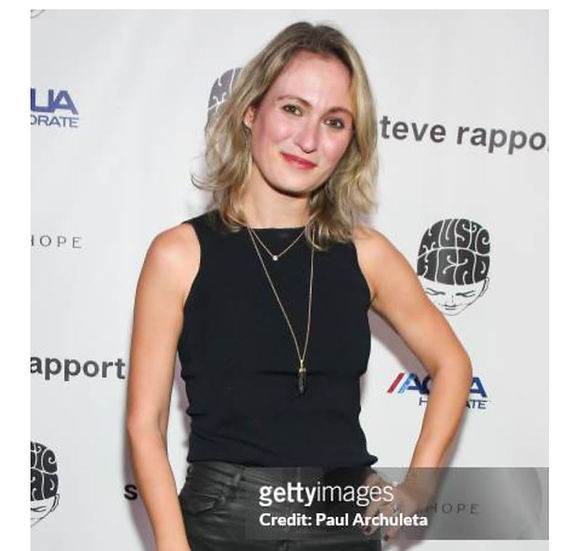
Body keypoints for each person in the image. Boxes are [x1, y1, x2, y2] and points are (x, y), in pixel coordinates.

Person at [125, 21, 472, 551]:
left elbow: (452, 365)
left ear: (350, 141)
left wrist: (418, 488)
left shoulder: (367, 255)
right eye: (292, 109)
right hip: (223, 522)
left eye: (334, 121)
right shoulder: (179, 254)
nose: (308, 140)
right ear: (250, 112)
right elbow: (145, 426)